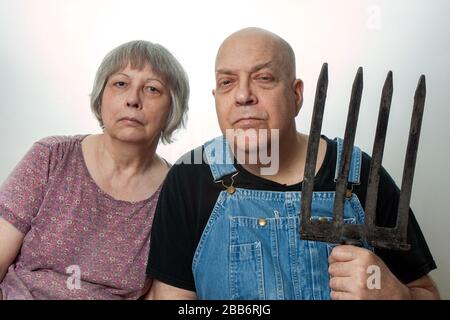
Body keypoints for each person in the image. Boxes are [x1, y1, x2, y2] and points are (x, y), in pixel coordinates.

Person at [145, 28, 439, 300]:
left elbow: (427, 292)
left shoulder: (359, 175)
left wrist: (398, 295)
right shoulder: (191, 178)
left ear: (296, 95)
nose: (243, 95)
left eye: (264, 78)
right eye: (227, 82)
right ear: (216, 98)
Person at [0, 40, 189, 299]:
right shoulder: (51, 157)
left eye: (152, 89)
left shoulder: (177, 194)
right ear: (101, 97)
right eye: (120, 84)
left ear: (172, 109)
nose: (133, 100)